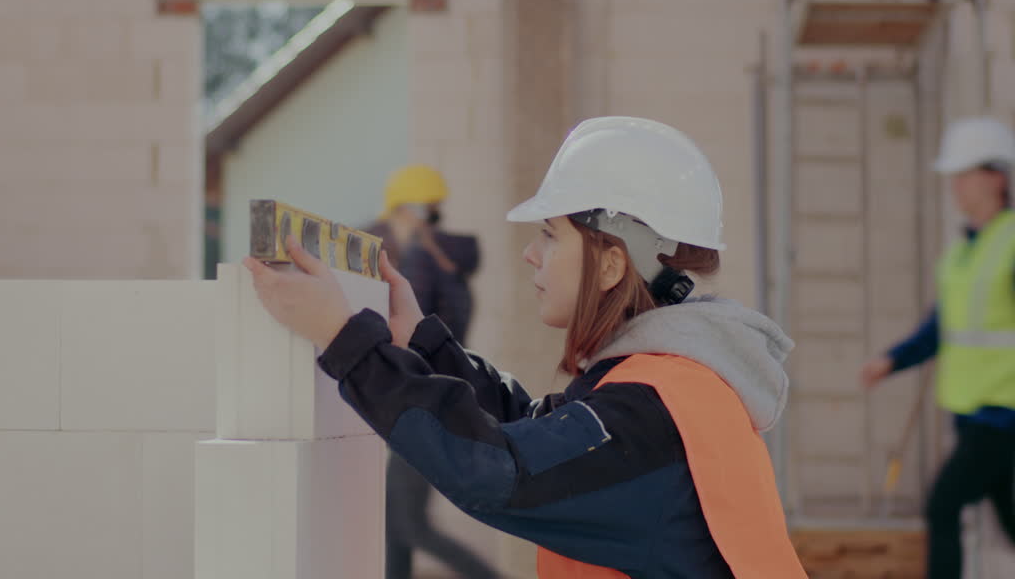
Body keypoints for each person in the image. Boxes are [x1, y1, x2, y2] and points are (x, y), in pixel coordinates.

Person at [246, 117, 806, 578]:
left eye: (550, 235)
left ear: (611, 263)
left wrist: (346, 341)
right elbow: (536, 431)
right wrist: (423, 344)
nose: (530, 256)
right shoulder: (670, 387)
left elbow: (497, 469)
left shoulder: (652, 412)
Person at [860, 116, 1015, 579]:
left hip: (1004, 411)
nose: (957, 186)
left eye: (966, 174)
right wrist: (892, 361)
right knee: (1008, 515)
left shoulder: (1011, 242)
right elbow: (942, 328)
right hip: (970, 410)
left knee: (941, 505)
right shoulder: (964, 250)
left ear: (997, 176)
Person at [366, 165, 496, 579]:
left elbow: (405, 334)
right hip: (433, 396)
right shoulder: (446, 262)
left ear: (409, 213)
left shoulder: (423, 260)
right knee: (394, 524)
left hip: (422, 401)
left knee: (409, 524)